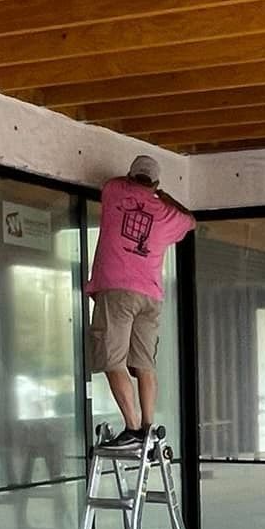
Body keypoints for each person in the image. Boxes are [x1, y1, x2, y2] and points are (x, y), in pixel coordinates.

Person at [86, 153, 194, 441]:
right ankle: (148, 426)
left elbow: (114, 181)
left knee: (113, 360)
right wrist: (162, 195)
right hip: (150, 296)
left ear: (131, 177)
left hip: (117, 291)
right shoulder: (167, 215)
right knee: (144, 362)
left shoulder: (115, 192)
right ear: (156, 183)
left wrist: (142, 186)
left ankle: (133, 429)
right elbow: (190, 220)